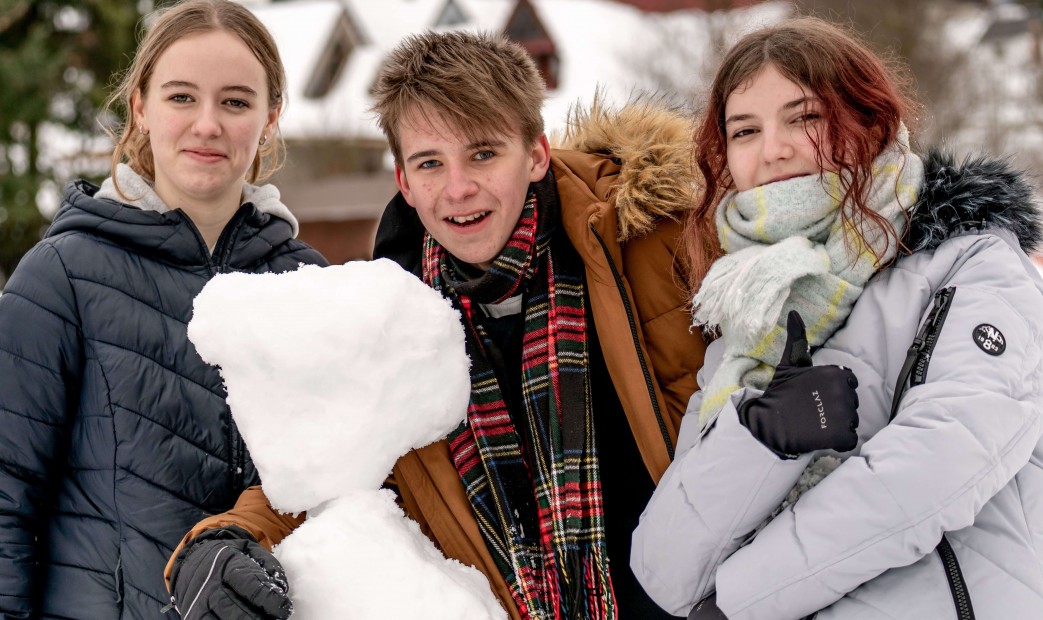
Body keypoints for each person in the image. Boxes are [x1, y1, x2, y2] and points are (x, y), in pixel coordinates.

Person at [164, 30, 706, 619]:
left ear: (536, 154)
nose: (458, 188)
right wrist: (219, 543)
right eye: (430, 163)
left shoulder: (657, 240)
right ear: (403, 181)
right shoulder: (389, 320)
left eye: (483, 153)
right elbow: (316, 462)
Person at [630, 16, 1043, 620]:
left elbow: (943, 461)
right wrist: (763, 441)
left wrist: (741, 601)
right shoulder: (751, 313)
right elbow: (664, 569)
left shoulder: (972, 261)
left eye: (805, 118)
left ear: (870, 121)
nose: (774, 149)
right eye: (745, 130)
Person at [0, 0, 327, 616]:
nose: (208, 123)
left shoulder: (309, 285)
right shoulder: (63, 276)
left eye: (235, 102)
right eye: (181, 97)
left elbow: (338, 497)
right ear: (141, 107)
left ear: (270, 118)